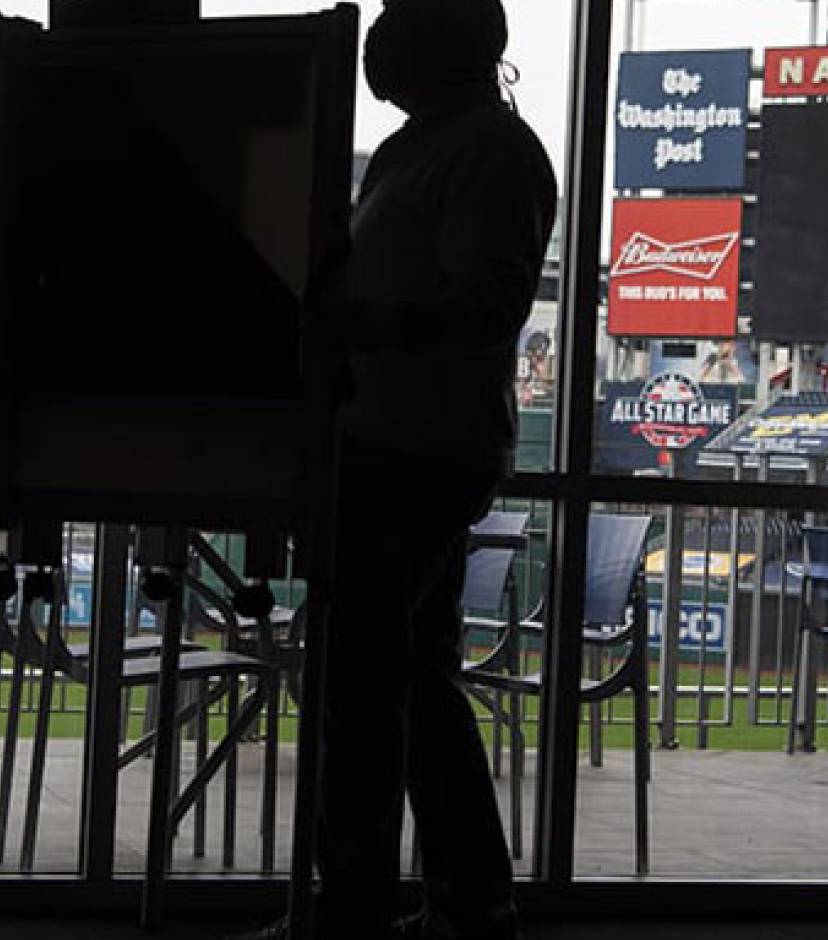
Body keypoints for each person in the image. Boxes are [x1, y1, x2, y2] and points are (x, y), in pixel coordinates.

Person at [239, 1, 556, 938]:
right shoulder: (419, 149)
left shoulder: (489, 151)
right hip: (399, 446)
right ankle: (468, 901)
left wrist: (363, 328)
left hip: (414, 452)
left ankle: (354, 908)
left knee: (361, 684)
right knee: (412, 681)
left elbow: (490, 303)